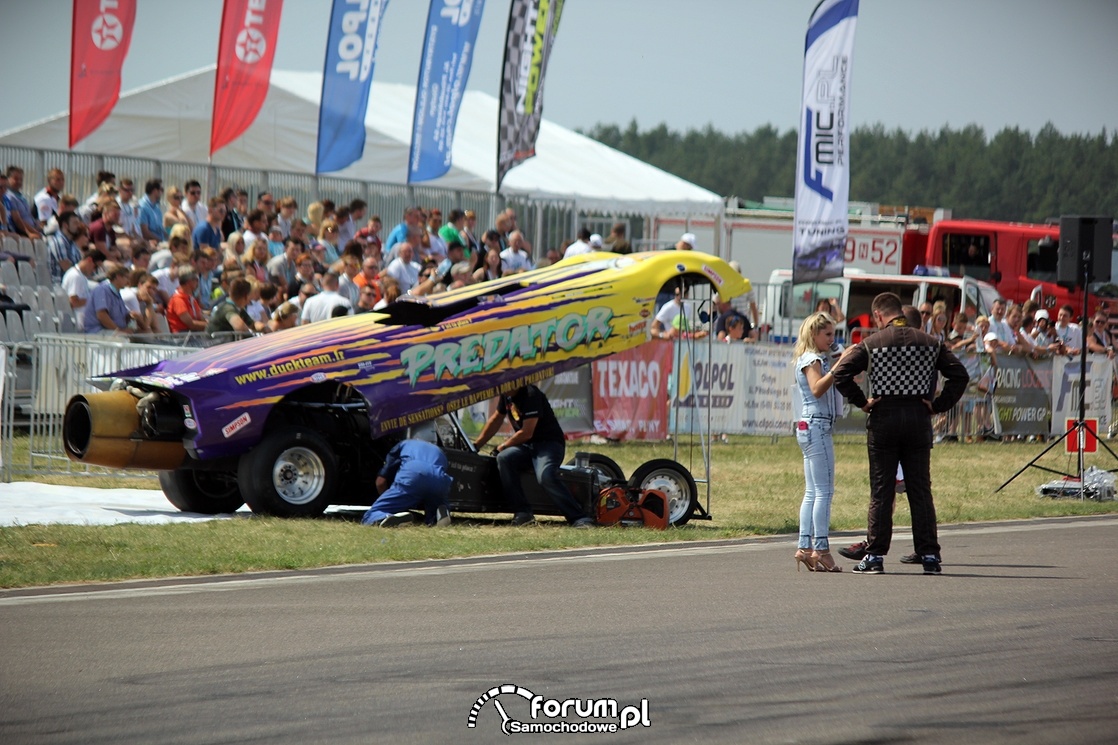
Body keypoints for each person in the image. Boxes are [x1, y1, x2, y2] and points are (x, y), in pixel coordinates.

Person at [830, 292, 969, 575]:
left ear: (879, 315)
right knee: (920, 490)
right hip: (919, 419)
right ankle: (929, 555)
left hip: (884, 420)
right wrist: (938, 406)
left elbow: (841, 374)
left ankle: (875, 557)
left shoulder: (871, 343)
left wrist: (863, 402)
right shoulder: (930, 342)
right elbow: (960, 376)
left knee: (882, 490)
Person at [474, 385, 594, 528]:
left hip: (548, 444)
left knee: (545, 475)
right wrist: (476, 445)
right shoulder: (507, 394)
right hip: (527, 446)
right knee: (504, 458)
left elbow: (527, 432)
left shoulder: (531, 394)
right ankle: (523, 513)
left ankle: (579, 517)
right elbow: (496, 419)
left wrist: (503, 446)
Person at [792, 312, 844, 573]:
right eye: (827, 335)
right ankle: (821, 549)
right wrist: (837, 365)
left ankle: (804, 546)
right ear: (814, 334)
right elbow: (817, 388)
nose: (831, 340)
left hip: (810, 424)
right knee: (824, 491)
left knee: (813, 491)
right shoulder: (813, 360)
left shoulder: (813, 358)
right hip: (817, 424)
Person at [360, 429, 453, 528]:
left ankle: (386, 516)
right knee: (434, 502)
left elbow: (380, 482)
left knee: (371, 515)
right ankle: (438, 514)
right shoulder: (439, 450)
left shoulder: (403, 444)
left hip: (413, 473)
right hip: (440, 479)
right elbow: (431, 476)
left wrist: (390, 500)